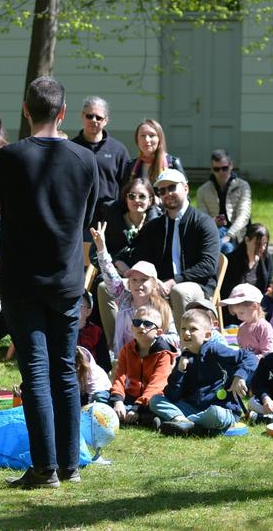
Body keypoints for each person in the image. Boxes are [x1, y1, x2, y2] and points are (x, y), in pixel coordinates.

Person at [0, 76, 98, 489]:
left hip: (22, 280)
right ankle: (70, 466)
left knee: (37, 372)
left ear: (26, 110)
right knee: (64, 371)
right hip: (65, 279)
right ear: (63, 113)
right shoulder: (85, 159)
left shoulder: (11, 157)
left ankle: (45, 469)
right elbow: (88, 212)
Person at [148, 308, 257, 436]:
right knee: (155, 400)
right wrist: (180, 372)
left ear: (207, 335)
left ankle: (181, 422)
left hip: (221, 409)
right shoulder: (183, 358)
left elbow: (249, 357)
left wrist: (240, 376)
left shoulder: (215, 350)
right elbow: (172, 396)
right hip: (193, 408)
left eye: (193, 329)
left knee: (217, 414)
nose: (186, 333)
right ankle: (188, 424)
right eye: (183, 329)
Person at [133, 169, 220, 325]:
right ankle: (117, 346)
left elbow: (208, 266)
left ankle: (185, 346)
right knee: (107, 287)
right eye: (162, 190)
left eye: (172, 187)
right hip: (160, 284)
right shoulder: (154, 227)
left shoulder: (203, 222)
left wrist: (174, 281)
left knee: (178, 290)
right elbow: (143, 258)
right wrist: (153, 281)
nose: (167, 193)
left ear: (186, 188)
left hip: (197, 286)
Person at [91, 221, 173, 357]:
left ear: (154, 284)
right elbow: (110, 275)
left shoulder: (161, 307)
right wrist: (101, 248)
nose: (138, 284)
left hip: (152, 361)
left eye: (144, 280)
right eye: (134, 280)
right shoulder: (124, 298)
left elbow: (175, 339)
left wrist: (151, 338)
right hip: (124, 360)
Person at [108, 304, 177, 425]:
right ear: (132, 327)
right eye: (137, 322)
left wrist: (137, 407)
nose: (141, 326)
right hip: (131, 396)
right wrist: (118, 400)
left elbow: (157, 385)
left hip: (152, 399)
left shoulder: (164, 353)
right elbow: (120, 377)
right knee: (101, 395)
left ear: (159, 332)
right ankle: (138, 417)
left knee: (157, 403)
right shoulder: (127, 349)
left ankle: (135, 415)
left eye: (147, 324)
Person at [69, 96, 129, 207]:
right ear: (82, 116)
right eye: (89, 116)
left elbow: (126, 186)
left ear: (106, 120)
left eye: (99, 118)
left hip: (109, 214)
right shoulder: (71, 147)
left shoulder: (118, 150)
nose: (94, 120)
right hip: (78, 212)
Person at [195, 149, 252, 255]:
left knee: (227, 247)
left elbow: (244, 215)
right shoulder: (202, 191)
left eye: (224, 168)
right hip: (214, 231)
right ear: (212, 169)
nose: (221, 172)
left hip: (237, 232)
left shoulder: (243, 186)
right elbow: (203, 219)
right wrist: (214, 222)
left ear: (231, 166)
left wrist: (230, 234)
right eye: (217, 169)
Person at [121, 119, 184, 186]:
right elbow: (124, 193)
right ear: (137, 140)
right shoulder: (131, 166)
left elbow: (184, 193)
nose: (147, 140)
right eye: (143, 136)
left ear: (159, 139)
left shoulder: (172, 164)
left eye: (151, 135)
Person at [221, 283, 273, 356]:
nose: (238, 317)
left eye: (241, 313)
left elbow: (268, 353)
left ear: (254, 306)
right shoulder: (242, 326)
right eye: (236, 313)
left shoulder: (263, 327)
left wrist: (250, 361)